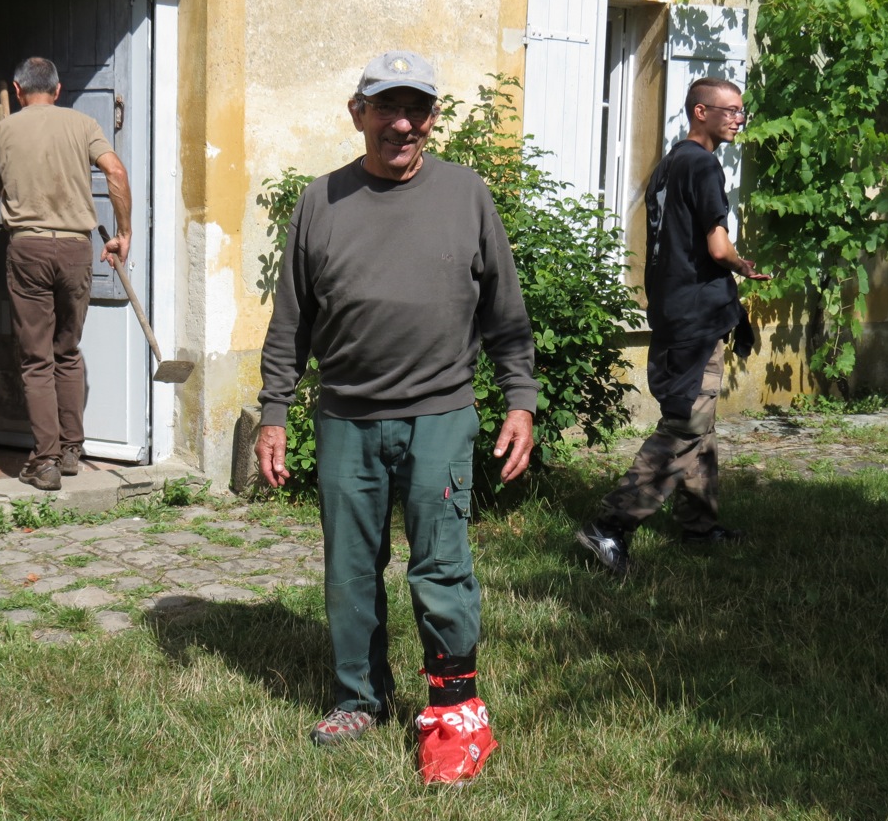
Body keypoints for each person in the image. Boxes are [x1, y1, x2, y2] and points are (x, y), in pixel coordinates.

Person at [256, 51, 537, 783]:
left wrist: (520, 400)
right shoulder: (321, 201)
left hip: (440, 411)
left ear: (433, 118)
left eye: (417, 109)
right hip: (346, 417)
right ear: (359, 114)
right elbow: (291, 321)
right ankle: (360, 696)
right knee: (351, 569)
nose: (402, 124)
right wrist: (274, 412)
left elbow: (506, 315)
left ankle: (452, 709)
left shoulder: (467, 195)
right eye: (387, 108)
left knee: (441, 561)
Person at [576, 77, 770, 580]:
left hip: (672, 310)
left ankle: (698, 527)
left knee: (698, 423)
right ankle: (609, 524)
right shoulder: (703, 164)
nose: (738, 119)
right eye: (729, 110)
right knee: (686, 422)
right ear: (699, 111)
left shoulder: (667, 166)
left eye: (741, 112)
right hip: (696, 315)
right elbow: (717, 247)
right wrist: (744, 266)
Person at [0, 57, 132, 491]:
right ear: (59, 90)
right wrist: (123, 232)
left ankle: (44, 461)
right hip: (76, 249)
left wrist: (11, 177)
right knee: (67, 351)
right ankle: (69, 451)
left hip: (28, 248)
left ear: (18, 89)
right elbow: (115, 170)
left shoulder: (3, 131)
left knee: (36, 359)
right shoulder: (83, 124)